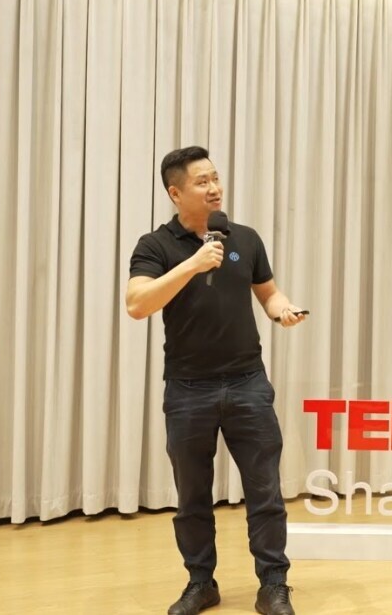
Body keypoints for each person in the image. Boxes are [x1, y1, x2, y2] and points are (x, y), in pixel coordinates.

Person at [126, 146, 305, 615]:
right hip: (188, 389)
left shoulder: (244, 237)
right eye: (202, 182)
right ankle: (201, 583)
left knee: (265, 491)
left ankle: (273, 585)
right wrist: (194, 263)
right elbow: (137, 304)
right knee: (192, 497)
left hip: (248, 383)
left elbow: (268, 293)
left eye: (216, 178)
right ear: (175, 193)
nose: (214, 188)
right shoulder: (155, 246)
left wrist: (282, 310)